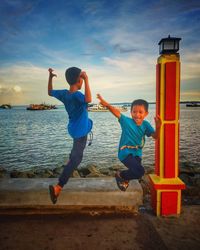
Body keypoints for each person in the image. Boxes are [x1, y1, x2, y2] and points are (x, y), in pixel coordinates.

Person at [97, 94, 161, 191]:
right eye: (134, 112)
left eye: (140, 112)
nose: (137, 114)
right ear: (131, 112)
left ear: (146, 113)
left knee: (136, 173)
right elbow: (115, 111)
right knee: (140, 171)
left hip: (137, 154)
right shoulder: (126, 121)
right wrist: (105, 103)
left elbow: (156, 136)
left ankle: (124, 179)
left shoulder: (146, 125)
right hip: (125, 152)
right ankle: (120, 175)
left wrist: (159, 126)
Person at [48, 67, 93, 204]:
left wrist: (50, 77)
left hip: (73, 128)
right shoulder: (78, 96)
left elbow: (50, 92)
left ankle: (70, 160)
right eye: (82, 79)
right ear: (79, 80)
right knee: (77, 159)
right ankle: (58, 187)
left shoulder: (64, 94)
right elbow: (89, 99)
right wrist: (87, 79)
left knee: (75, 152)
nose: (83, 82)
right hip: (80, 132)